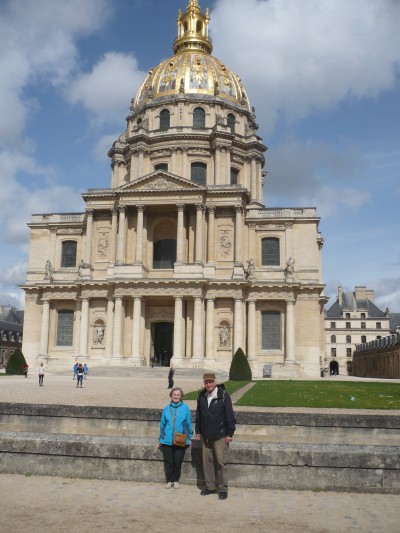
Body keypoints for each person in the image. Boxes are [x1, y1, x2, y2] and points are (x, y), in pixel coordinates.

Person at [195, 372, 236, 500]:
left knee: (220, 462)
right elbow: (198, 415)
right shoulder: (201, 396)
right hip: (206, 435)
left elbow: (230, 415)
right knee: (207, 462)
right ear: (204, 383)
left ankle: (223, 488)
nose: (209, 384)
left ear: (215, 382)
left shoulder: (223, 395)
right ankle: (210, 487)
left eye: (211, 382)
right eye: (206, 382)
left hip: (220, 434)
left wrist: (229, 433)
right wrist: (198, 430)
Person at [158, 387, 192, 489]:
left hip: (180, 439)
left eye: (178, 395)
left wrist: (189, 438)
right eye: (174, 394)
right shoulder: (166, 409)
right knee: (169, 462)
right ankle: (169, 480)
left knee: (178, 461)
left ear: (181, 396)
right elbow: (162, 425)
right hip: (167, 440)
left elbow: (188, 424)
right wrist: (160, 439)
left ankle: (176, 480)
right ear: (171, 395)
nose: (176, 396)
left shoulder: (185, 408)